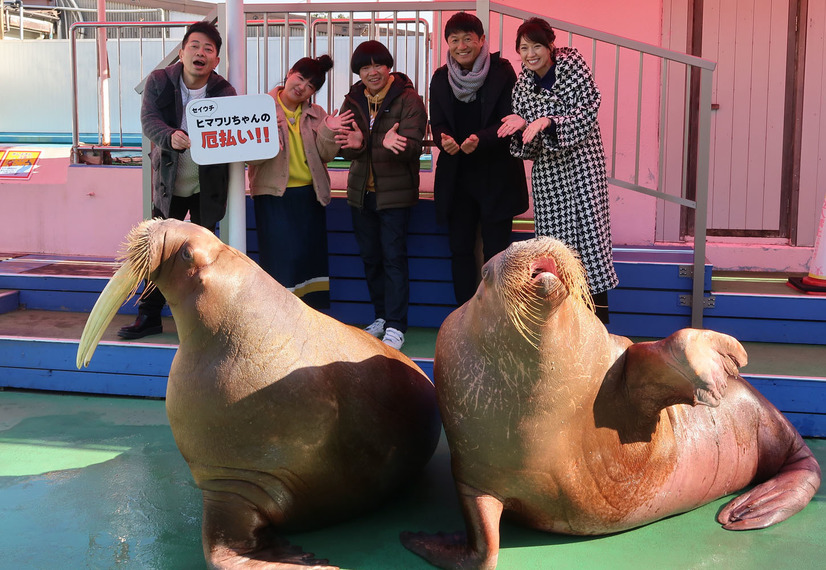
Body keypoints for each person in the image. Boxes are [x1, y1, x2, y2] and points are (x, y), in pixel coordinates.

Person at [118, 21, 236, 339]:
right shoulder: (160, 80)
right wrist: (170, 136)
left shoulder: (225, 91)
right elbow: (149, 120)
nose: (200, 53)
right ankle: (149, 315)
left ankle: (202, 319)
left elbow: (233, 136)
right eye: (194, 46)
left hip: (206, 186)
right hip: (169, 186)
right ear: (182, 51)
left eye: (208, 49)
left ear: (216, 60)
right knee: (157, 251)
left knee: (205, 254)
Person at [498, 17, 618, 323]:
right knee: (554, 252)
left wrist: (548, 122)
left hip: (583, 169)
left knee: (590, 251)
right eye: (523, 48)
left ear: (550, 46)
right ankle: (563, 325)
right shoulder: (522, 89)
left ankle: (599, 326)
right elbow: (528, 149)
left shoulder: (574, 66)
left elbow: (588, 110)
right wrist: (523, 127)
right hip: (549, 177)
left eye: (536, 45)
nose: (530, 54)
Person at [430, 12, 528, 306]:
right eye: (454, 40)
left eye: (468, 39)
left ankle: (497, 312)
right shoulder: (440, 77)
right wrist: (443, 139)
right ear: (447, 43)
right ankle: (463, 313)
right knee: (460, 249)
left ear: (481, 40)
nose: (462, 46)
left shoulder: (502, 72)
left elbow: (510, 119)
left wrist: (480, 140)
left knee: (497, 252)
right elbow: (437, 122)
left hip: (496, 174)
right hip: (457, 178)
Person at [335, 40, 427, 350]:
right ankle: (381, 316)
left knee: (393, 259)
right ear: (358, 72)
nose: (372, 72)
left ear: (389, 66)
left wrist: (388, 143)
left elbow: (414, 148)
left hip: (394, 195)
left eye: (378, 65)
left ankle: (397, 325)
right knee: (371, 258)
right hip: (361, 194)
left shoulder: (409, 100)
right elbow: (342, 147)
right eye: (364, 67)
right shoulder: (352, 100)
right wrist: (358, 144)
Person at [247, 55, 352, 310]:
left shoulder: (318, 114)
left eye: (311, 86)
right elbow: (249, 157)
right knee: (279, 260)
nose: (302, 86)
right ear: (290, 73)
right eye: (300, 78)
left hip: (310, 196)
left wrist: (330, 130)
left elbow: (326, 155)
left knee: (309, 259)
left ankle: (310, 316)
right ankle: (278, 315)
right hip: (273, 196)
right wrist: (266, 141)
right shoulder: (259, 107)